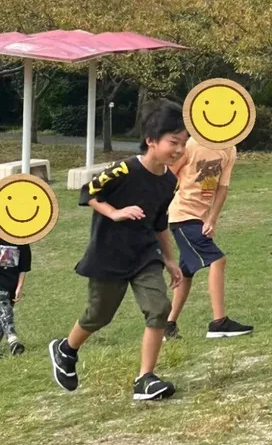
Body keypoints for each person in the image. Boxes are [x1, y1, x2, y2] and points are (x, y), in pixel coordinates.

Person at [49, 99, 189, 400]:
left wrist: (169, 258)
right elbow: (89, 192)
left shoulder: (169, 181)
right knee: (99, 315)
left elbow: (160, 222)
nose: (179, 150)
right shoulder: (123, 168)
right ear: (151, 140)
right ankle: (66, 349)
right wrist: (114, 212)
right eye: (173, 142)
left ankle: (145, 378)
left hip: (145, 255)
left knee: (159, 308)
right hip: (109, 253)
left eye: (183, 144)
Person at [164, 138, 253, 340]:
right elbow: (168, 175)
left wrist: (211, 219)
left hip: (199, 218)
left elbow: (222, 187)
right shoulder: (191, 144)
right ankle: (219, 323)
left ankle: (167, 325)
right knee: (217, 260)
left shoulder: (229, 149)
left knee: (186, 273)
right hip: (182, 216)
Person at [0, 241, 30, 355]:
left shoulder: (21, 240)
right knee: (4, 305)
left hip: (11, 283)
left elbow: (24, 267)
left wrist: (20, 287)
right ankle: (13, 339)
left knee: (3, 317)